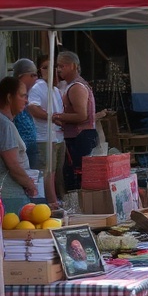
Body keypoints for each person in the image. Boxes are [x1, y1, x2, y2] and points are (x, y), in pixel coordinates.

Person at [52, 51, 97, 191]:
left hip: (80, 138)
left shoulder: (76, 87)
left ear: (72, 66)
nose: (58, 70)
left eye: (62, 66)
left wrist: (57, 116)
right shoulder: (70, 85)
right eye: (57, 66)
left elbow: (81, 115)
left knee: (78, 177)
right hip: (77, 137)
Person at [0, 76, 39, 217]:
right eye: (22, 96)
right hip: (10, 196)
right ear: (9, 97)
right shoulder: (5, 125)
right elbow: (13, 166)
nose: (26, 100)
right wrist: (30, 185)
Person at [28, 55, 64, 203]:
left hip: (58, 137)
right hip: (43, 137)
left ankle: (57, 201)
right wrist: (51, 117)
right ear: (40, 70)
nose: (51, 70)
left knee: (57, 172)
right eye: (45, 67)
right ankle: (52, 203)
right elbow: (33, 108)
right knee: (47, 173)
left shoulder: (56, 90)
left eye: (53, 67)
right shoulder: (38, 87)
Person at [11, 59, 39, 170]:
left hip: (31, 148)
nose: (36, 78)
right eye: (32, 75)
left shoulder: (30, 92)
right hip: (19, 151)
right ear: (20, 76)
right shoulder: (13, 94)